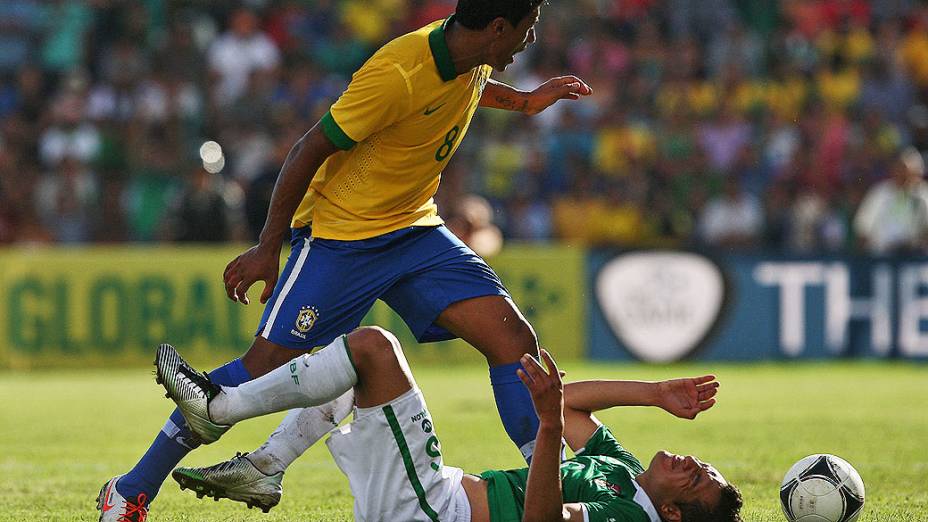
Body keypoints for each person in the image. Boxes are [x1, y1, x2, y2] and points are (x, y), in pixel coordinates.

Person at [96, 1, 593, 519]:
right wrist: (270, 246)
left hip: (415, 230)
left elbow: (469, 86)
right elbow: (308, 150)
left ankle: (551, 493)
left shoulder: (472, 54)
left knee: (513, 340)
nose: (531, 40)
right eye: (527, 29)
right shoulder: (397, 72)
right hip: (342, 235)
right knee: (262, 370)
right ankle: (131, 488)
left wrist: (526, 102)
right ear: (496, 28)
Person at [154, 327, 743, 521]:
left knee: (374, 350)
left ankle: (220, 410)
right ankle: (264, 469)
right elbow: (566, 405)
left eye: (696, 481)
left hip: (433, 507)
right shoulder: (621, 470)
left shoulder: (627, 515)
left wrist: (545, 429)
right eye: (703, 465)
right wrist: (655, 393)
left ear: (671, 514)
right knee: (350, 380)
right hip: (433, 495)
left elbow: (540, 520)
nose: (692, 463)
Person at [853, 147, 928, 255]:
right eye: (899, 170)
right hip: (882, 258)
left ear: (917, 173)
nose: (902, 175)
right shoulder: (880, 192)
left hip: (915, 260)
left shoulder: (924, 195)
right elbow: (862, 229)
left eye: (907, 172)